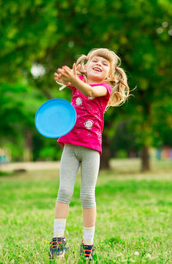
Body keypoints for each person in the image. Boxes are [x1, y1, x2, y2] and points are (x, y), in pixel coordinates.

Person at [49, 48, 130, 261]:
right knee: (64, 191)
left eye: (105, 63)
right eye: (95, 60)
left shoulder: (105, 88)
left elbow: (90, 92)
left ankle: (88, 243)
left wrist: (75, 80)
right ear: (86, 66)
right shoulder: (78, 84)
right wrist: (67, 77)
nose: (99, 64)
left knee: (87, 195)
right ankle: (58, 239)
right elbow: (73, 83)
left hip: (91, 150)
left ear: (110, 75)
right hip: (70, 146)